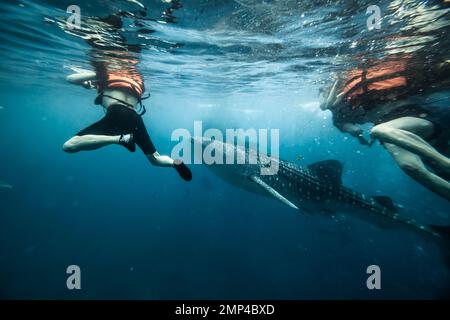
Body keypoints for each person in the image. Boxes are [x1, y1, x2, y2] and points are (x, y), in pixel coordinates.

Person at [62, 15, 192, 182]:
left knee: (69, 146)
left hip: (117, 114)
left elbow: (70, 79)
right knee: (155, 159)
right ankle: (175, 162)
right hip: (134, 118)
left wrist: (100, 75)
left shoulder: (106, 76)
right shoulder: (131, 80)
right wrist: (97, 81)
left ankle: (120, 139)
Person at [320, 54, 450, 201]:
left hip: (413, 116)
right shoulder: (345, 92)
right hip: (390, 128)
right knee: (411, 167)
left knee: (380, 130)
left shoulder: (388, 66)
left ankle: (446, 165)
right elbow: (347, 123)